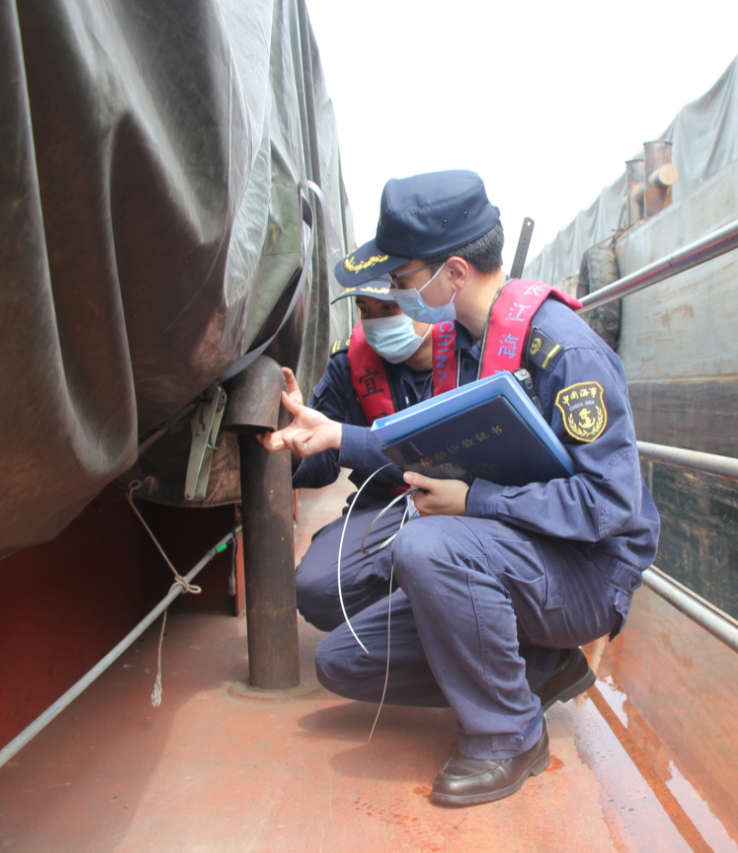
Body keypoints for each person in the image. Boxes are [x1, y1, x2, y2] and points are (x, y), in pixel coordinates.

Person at [261, 170, 660, 807]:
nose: (395, 293)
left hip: (587, 571)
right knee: (345, 660)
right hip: (510, 546)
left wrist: (476, 502)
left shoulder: (562, 351)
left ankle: (510, 734)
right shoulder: (463, 346)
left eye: (400, 279)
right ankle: (537, 664)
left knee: (426, 547)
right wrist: (334, 434)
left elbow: (611, 505)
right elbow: (418, 446)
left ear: (451, 273)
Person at [279, 281, 447, 632]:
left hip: (460, 504)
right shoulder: (347, 366)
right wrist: (294, 439)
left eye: (389, 308)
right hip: (383, 505)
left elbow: (440, 458)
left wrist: (341, 437)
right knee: (317, 590)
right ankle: (409, 613)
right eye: (365, 310)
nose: (377, 322)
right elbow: (322, 464)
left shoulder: (470, 351)